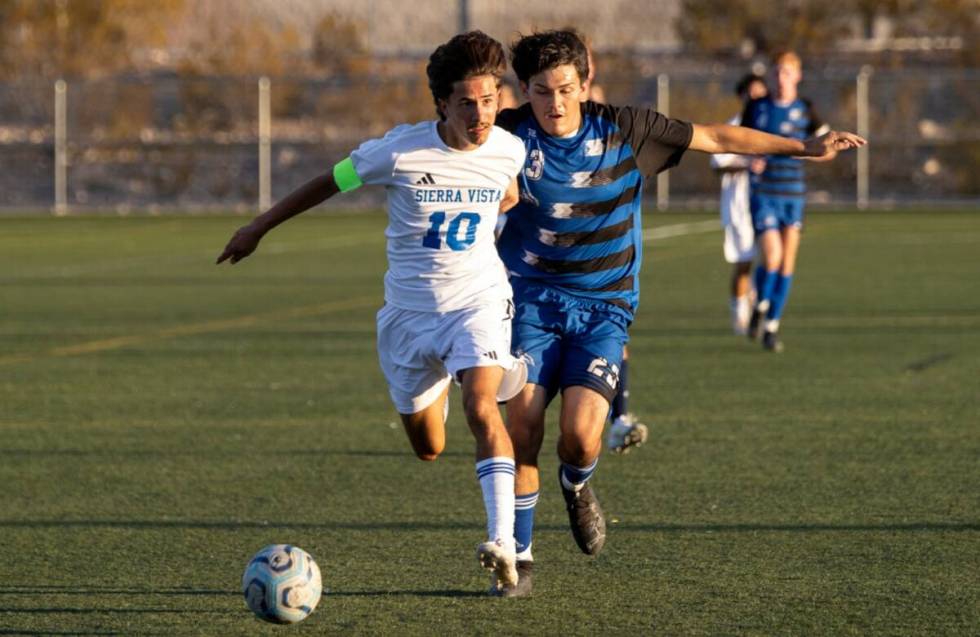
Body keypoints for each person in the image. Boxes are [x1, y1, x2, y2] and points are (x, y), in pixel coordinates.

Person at [494, 29, 864, 596]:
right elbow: (445, 151)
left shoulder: (627, 129)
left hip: (603, 307)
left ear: (584, 82)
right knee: (522, 427)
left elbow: (716, 135)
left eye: (566, 88)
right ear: (524, 90)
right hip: (530, 303)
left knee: (580, 438)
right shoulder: (508, 135)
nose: (555, 103)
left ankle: (576, 484)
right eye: (542, 92)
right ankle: (518, 555)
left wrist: (807, 148)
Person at [216, 31, 529, 596]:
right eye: (466, 102)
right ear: (441, 103)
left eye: (489, 101)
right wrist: (258, 226)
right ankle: (468, 373)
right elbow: (326, 184)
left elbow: (505, 191)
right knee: (429, 447)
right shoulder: (399, 152)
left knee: (483, 409)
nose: (480, 114)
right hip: (407, 320)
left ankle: (504, 544)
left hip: (478, 302)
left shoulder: (509, 147)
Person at [741, 51, 831, 352]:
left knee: (787, 263)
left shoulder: (805, 109)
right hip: (764, 193)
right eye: (777, 72)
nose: (781, 78)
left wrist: (807, 153)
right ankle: (761, 303)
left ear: (798, 76)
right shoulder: (757, 106)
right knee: (773, 257)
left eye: (787, 73)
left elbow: (828, 149)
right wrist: (751, 158)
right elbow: (738, 140)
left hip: (793, 194)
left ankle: (770, 324)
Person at [710, 73, 769, 335]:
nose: (757, 97)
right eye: (752, 93)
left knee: (769, 257)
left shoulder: (769, 123)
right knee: (744, 260)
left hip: (768, 199)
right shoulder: (734, 125)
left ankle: (761, 307)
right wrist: (745, 164)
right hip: (739, 203)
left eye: (761, 92)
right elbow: (718, 165)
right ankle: (739, 312)